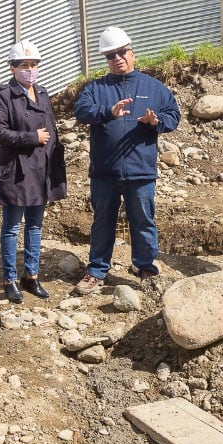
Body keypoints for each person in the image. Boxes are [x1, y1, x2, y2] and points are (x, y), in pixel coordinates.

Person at [72, 26, 181, 295]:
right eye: (111, 55)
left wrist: (156, 122)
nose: (117, 58)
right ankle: (97, 270)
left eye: (121, 52)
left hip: (140, 170)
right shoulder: (96, 88)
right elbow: (82, 111)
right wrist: (107, 112)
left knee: (143, 220)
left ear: (132, 52)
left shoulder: (154, 87)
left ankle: (145, 267)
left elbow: (173, 116)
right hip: (105, 171)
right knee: (102, 221)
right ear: (106, 60)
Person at [0, 40, 66, 304]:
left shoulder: (42, 93)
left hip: (40, 170)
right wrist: (32, 137)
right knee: (11, 227)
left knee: (35, 225)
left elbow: (51, 130)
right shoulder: (2, 96)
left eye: (33, 65)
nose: (30, 70)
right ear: (12, 68)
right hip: (16, 171)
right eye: (24, 65)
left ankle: (31, 276)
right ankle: (9, 279)